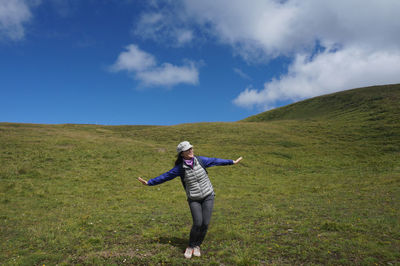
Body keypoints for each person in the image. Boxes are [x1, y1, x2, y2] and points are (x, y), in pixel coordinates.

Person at [138, 141, 243, 259]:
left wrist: (231, 162)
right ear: (182, 154)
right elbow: (165, 176)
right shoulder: (180, 168)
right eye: (188, 150)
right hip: (194, 198)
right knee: (198, 223)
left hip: (208, 195)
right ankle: (190, 246)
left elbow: (215, 160)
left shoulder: (201, 160)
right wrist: (149, 183)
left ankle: (197, 245)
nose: (191, 151)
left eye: (191, 148)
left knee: (205, 223)